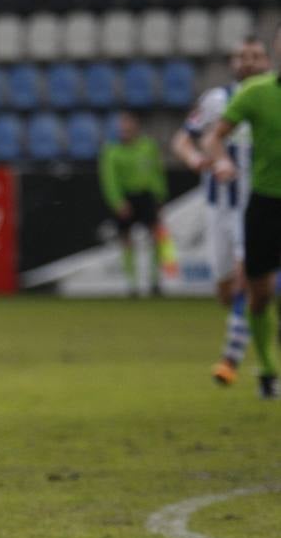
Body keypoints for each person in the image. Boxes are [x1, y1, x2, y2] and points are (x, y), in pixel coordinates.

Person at [170, 36, 269, 386]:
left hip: (255, 205)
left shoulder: (271, 97)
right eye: (242, 56)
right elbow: (183, 140)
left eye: (255, 57)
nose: (247, 62)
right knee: (227, 292)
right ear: (232, 62)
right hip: (219, 207)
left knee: (247, 278)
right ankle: (259, 331)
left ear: (267, 62)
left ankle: (230, 361)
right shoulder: (215, 101)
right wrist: (198, 159)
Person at [203, 24, 281, 400]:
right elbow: (213, 136)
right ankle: (266, 369)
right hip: (264, 203)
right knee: (259, 294)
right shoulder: (256, 94)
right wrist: (219, 162)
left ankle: (236, 360)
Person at [98, 109, 168, 297]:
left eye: (128, 125)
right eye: (122, 126)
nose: (125, 129)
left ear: (136, 126)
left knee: (155, 236)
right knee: (126, 239)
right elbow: (109, 179)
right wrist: (118, 201)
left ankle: (155, 281)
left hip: (146, 195)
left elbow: (156, 171)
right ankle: (132, 284)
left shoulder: (148, 146)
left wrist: (160, 195)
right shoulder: (112, 151)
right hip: (126, 197)